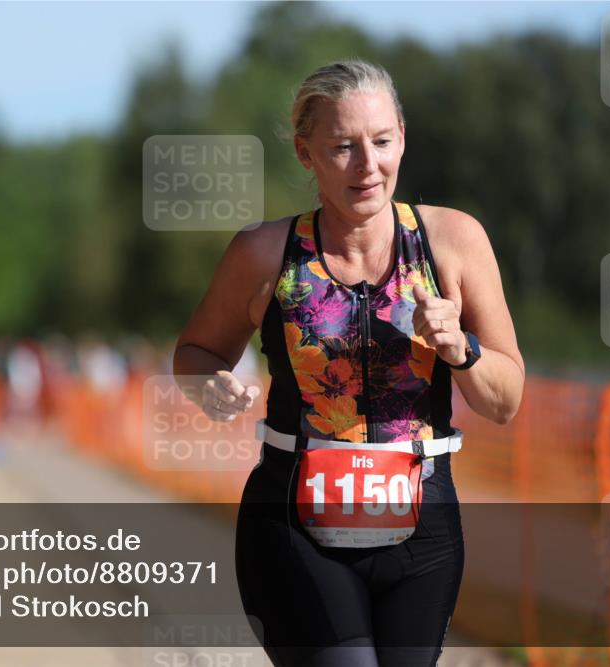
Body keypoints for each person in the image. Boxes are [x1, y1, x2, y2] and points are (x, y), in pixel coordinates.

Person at [173, 59, 524, 666]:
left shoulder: (453, 242)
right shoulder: (264, 253)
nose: (368, 165)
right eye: (343, 147)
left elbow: (505, 399)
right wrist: (210, 385)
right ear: (306, 154)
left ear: (403, 138)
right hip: (294, 521)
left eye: (382, 142)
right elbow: (194, 354)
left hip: (423, 523)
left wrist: (460, 350)